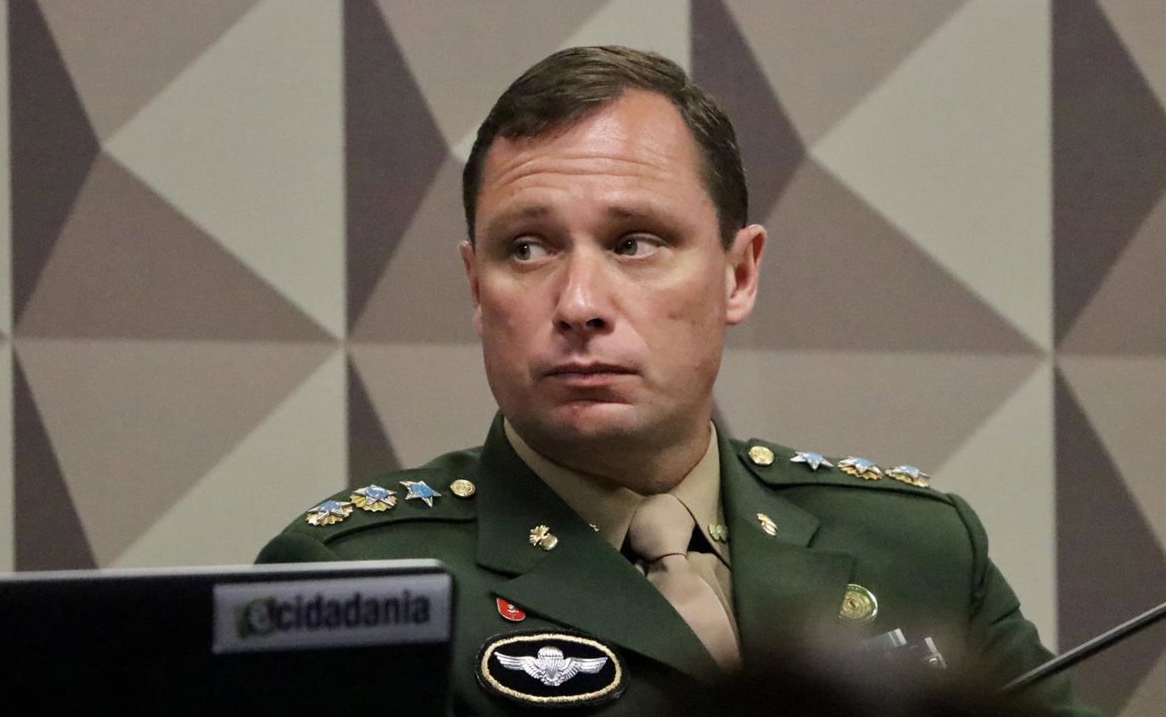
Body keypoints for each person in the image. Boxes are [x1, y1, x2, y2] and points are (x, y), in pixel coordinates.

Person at [257, 46, 1094, 715]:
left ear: (738, 274)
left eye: (634, 243)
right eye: (527, 249)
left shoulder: (918, 550)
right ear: (478, 288)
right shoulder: (358, 586)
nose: (579, 304)